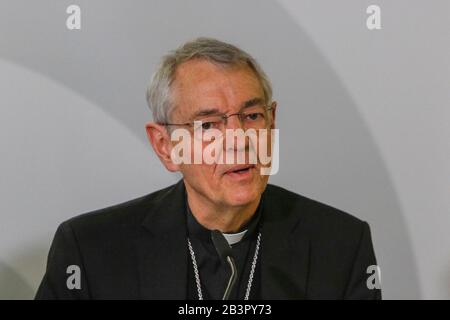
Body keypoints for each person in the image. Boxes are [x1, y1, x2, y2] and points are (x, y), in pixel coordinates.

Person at [35, 37, 381, 300]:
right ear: (165, 146)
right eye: (209, 125)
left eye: (252, 117)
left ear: (272, 124)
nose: (239, 140)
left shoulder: (340, 246)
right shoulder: (90, 251)